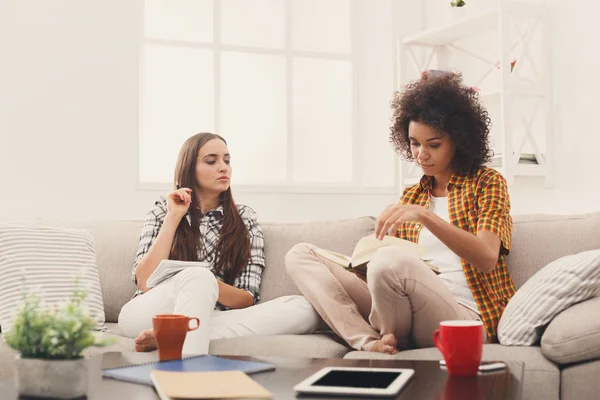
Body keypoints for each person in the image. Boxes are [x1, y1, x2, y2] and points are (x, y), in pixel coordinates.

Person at [285, 72, 515, 354]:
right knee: (300, 254)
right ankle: (371, 342)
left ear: (459, 140)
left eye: (434, 144)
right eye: (414, 143)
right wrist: (364, 261)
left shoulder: (487, 182)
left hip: (463, 316)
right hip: (403, 310)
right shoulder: (413, 194)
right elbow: (389, 277)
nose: (421, 154)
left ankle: (390, 335)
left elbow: (487, 257)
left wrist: (425, 216)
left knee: (390, 260)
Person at [118, 133, 319, 354]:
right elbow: (145, 282)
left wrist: (209, 286)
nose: (223, 167)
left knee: (303, 309)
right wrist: (173, 218)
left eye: (227, 160)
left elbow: (246, 299)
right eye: (211, 161)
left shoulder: (245, 219)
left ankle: (173, 334)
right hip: (150, 312)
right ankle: (190, 367)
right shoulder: (162, 211)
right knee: (198, 277)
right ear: (189, 168)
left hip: (214, 315)